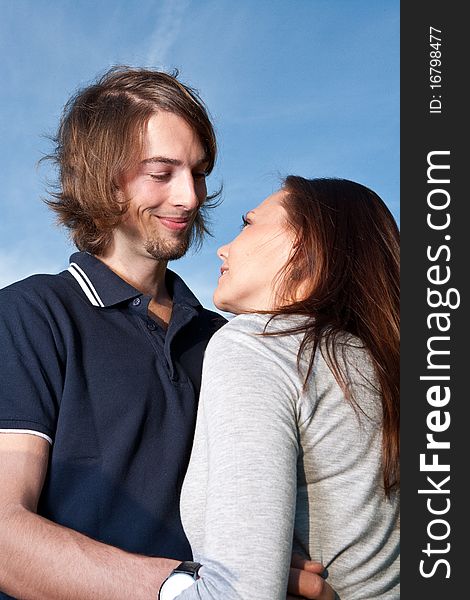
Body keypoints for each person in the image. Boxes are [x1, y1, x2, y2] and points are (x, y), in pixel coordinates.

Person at [0, 67, 332, 600]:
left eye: (198, 173)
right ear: (102, 174)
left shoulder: (226, 341)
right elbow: (4, 539)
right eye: (162, 172)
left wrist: (267, 569)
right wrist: (188, 587)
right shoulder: (29, 315)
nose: (190, 196)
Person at [172, 177, 400, 599]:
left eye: (248, 223)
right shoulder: (381, 364)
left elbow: (239, 593)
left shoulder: (255, 345)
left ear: (303, 243)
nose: (224, 248)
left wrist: (173, 584)